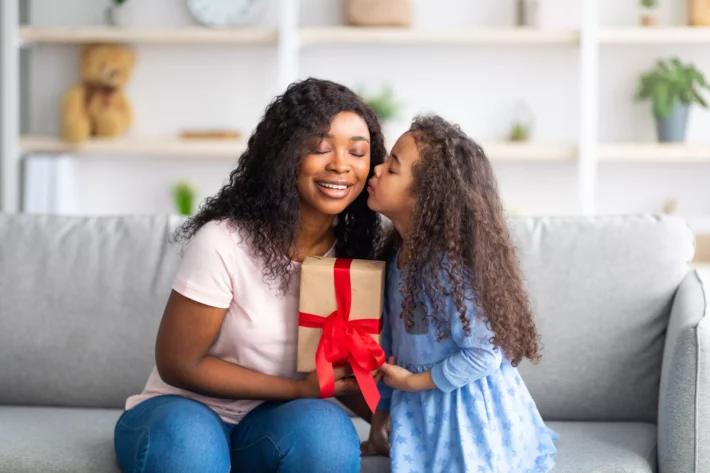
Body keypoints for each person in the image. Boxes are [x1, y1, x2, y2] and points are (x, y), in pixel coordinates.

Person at [113, 78, 387, 473]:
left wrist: (388, 418)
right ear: (285, 155)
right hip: (183, 411)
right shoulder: (223, 241)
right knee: (189, 446)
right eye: (320, 148)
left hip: (271, 424)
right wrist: (296, 389)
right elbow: (180, 363)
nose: (341, 165)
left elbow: (341, 368)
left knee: (326, 437)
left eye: (357, 152)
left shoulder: (356, 255)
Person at [361, 114, 558, 472]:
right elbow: (390, 349)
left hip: (469, 418)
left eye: (392, 168)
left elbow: (483, 354)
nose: (375, 169)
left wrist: (412, 381)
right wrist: (380, 422)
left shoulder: (448, 269)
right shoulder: (396, 258)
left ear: (425, 197)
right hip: (421, 412)